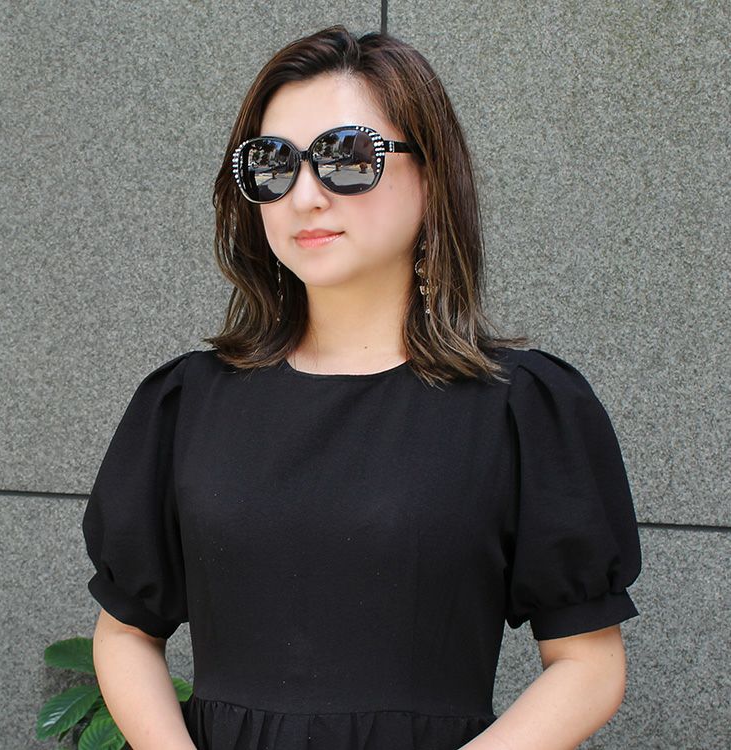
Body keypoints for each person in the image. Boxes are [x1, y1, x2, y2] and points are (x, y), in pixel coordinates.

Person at [82, 25, 642, 750]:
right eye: (273, 164)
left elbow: (588, 665)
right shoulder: (186, 403)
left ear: (432, 174)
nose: (305, 196)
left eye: (346, 157)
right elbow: (126, 632)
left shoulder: (522, 408)